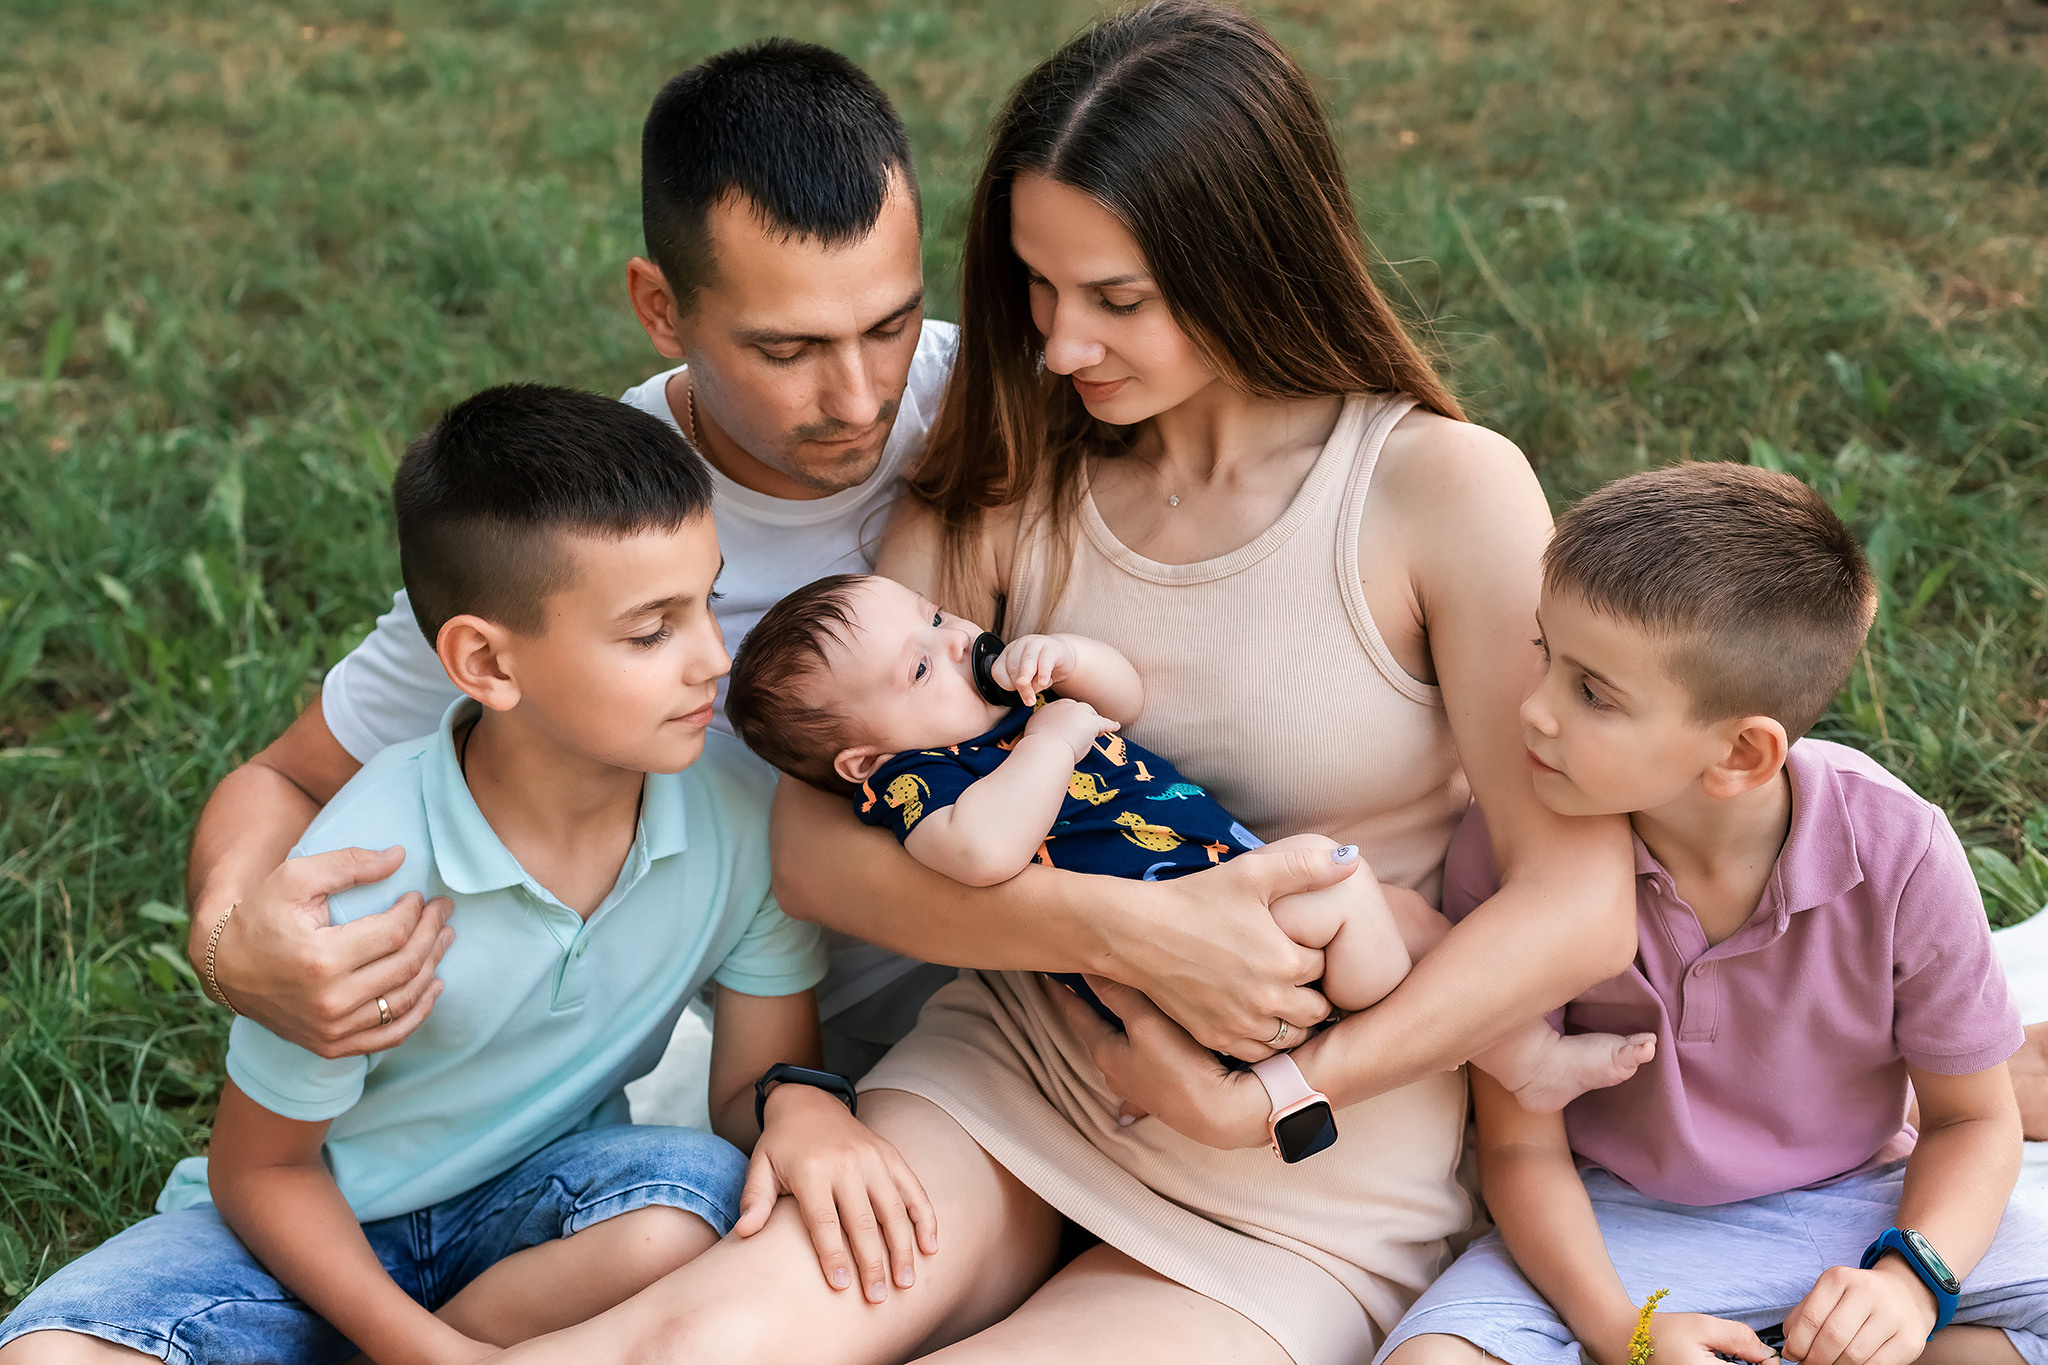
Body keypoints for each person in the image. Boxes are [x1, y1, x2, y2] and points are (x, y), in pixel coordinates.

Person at [474, 6, 1648, 1362]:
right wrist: (1122, 933)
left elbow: (1578, 910)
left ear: (1253, 265)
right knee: (694, 1345)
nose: (1060, 345)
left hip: (1306, 1169)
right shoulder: (1012, 473)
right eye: (1036, 288)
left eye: (1118, 300)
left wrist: (1278, 1088)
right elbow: (814, 846)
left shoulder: (1440, 489)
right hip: (1014, 1076)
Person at [181, 36, 1370, 1087]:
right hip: (830, 1045)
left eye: (890, 324)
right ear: (661, 309)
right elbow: (284, 781)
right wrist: (236, 945)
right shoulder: (589, 527)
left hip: (1166, 981)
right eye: (787, 347)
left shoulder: (1024, 397)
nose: (858, 398)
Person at [0, 386, 931, 1365]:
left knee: (690, 1207)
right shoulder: (362, 877)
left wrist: (803, 1106)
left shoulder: (740, 819)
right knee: (52, 1359)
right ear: (485, 663)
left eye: (709, 600)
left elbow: (748, 1087)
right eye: (651, 630)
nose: (713, 659)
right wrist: (423, 1350)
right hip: (303, 1228)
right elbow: (263, 1169)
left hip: (540, 1212)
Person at [1376, 464, 2048, 1365]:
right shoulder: (1508, 850)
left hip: (1864, 1203)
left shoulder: (1900, 849)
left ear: (1740, 751)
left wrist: (1908, 1281)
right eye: (1545, 653)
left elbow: (1973, 1120)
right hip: (1618, 1225)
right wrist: (1625, 1331)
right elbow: (1522, 1148)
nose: (1530, 711)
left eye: (1591, 692)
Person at [726, 571, 1652, 1112]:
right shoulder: (921, 785)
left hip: (1233, 876)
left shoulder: (1010, 693)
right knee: (1352, 907)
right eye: (920, 663)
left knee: (1402, 911)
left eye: (933, 615)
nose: (954, 635)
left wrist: (1071, 666)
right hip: (1186, 960)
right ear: (860, 760)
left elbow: (1121, 700)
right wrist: (1053, 739)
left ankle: (1519, 1060)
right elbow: (979, 856)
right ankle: (1375, 1014)